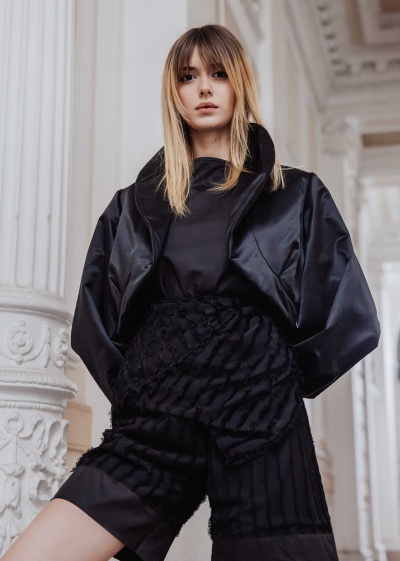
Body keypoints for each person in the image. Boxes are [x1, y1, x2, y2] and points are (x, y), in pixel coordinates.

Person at [3, 24, 380, 561]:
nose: (204, 87)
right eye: (188, 76)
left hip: (262, 417)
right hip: (160, 418)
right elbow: (94, 323)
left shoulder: (297, 193)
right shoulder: (131, 206)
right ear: (174, 92)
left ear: (239, 83)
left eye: (218, 74)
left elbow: (351, 318)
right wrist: (141, 389)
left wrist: (276, 375)